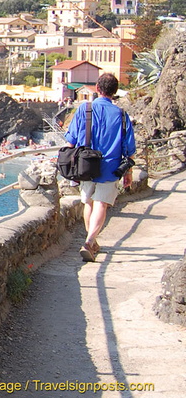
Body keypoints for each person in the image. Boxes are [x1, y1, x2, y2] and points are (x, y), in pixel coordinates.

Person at [63, 73, 136, 262]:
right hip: (110, 167)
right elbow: (129, 148)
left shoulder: (84, 109)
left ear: (97, 88)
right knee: (101, 204)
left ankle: (90, 241)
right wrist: (128, 172)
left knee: (88, 202)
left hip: (85, 164)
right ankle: (90, 241)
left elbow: (71, 140)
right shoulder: (121, 115)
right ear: (115, 91)